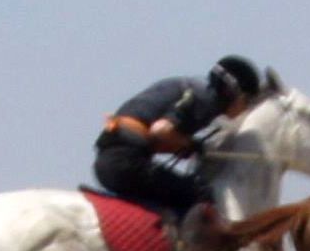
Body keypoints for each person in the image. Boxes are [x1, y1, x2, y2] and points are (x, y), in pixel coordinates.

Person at [94, 55, 262, 215]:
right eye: (246, 100)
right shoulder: (203, 99)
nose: (246, 107)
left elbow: (156, 135)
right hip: (126, 163)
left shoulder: (193, 90)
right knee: (201, 197)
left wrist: (182, 145)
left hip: (113, 159)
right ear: (230, 92)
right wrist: (189, 144)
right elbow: (160, 130)